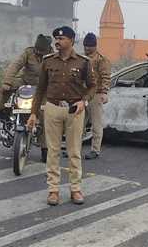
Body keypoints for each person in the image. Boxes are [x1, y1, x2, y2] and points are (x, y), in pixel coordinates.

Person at [27, 26, 96, 206]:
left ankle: (75, 189)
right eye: (56, 39)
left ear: (72, 41)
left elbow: (92, 86)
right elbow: (40, 89)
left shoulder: (83, 62)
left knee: (74, 152)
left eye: (62, 39)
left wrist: (84, 101)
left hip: (75, 110)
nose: (57, 42)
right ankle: (53, 190)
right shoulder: (48, 61)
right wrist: (33, 113)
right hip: (52, 108)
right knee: (53, 151)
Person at [0, 34, 52, 162]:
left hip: (43, 88)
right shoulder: (28, 52)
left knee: (44, 116)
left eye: (41, 51)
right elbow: (15, 65)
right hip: (25, 81)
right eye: (37, 50)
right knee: (7, 86)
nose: (38, 52)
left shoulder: (52, 57)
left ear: (47, 49)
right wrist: (7, 81)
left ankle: (45, 149)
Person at [82, 32, 111, 160]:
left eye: (89, 46)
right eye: (85, 46)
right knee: (78, 124)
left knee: (96, 124)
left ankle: (95, 150)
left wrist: (104, 92)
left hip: (96, 94)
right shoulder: (82, 58)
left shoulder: (101, 60)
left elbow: (106, 77)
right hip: (83, 95)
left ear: (95, 46)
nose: (87, 48)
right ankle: (74, 148)